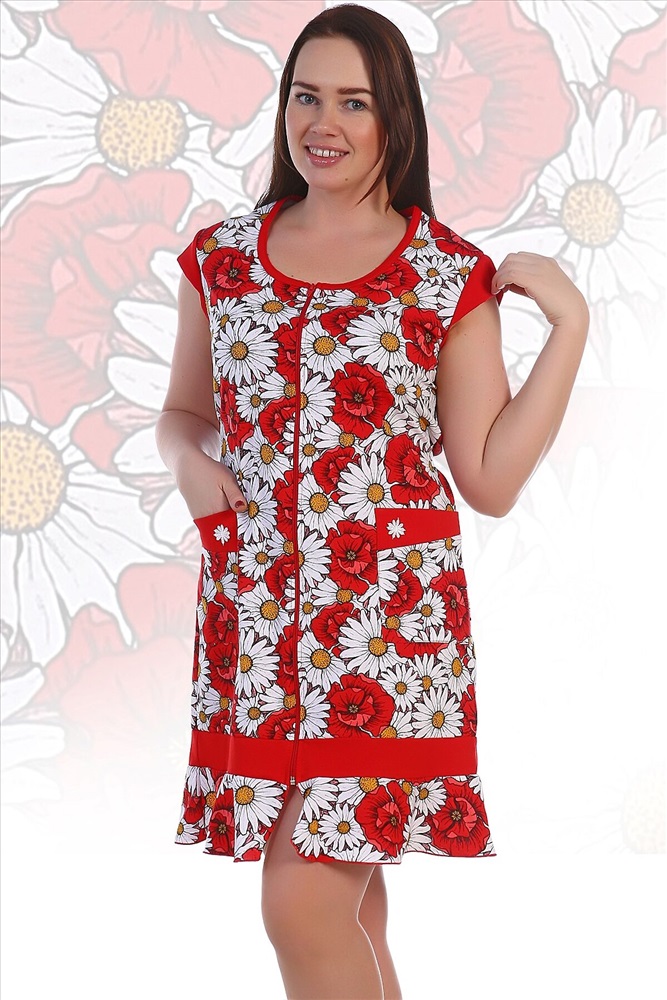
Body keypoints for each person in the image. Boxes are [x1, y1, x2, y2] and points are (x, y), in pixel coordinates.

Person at [156, 5, 589, 998]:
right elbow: (183, 414)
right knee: (352, 912)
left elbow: (488, 479)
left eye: (354, 101)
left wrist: (567, 330)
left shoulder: (444, 275)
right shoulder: (220, 260)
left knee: (302, 906)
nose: (324, 122)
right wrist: (185, 462)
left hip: (382, 639)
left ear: (395, 114)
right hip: (255, 628)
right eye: (306, 96)